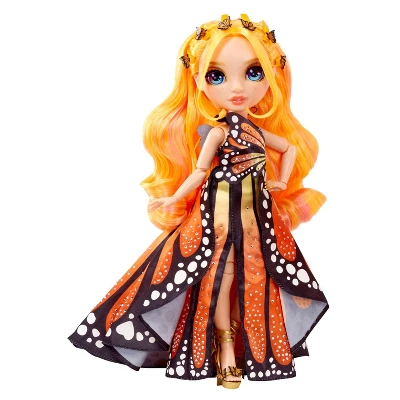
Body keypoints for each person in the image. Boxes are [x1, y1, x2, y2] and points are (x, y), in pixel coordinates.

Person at [68, 14, 329, 390]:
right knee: (220, 277)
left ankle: (247, 345)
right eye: (217, 76)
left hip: (255, 218)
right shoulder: (218, 132)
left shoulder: (257, 131)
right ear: (198, 82)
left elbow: (288, 148)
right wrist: (175, 197)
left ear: (273, 75)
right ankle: (225, 346)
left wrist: (281, 181)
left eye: (253, 72)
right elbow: (200, 171)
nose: (237, 88)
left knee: (255, 277)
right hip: (216, 217)